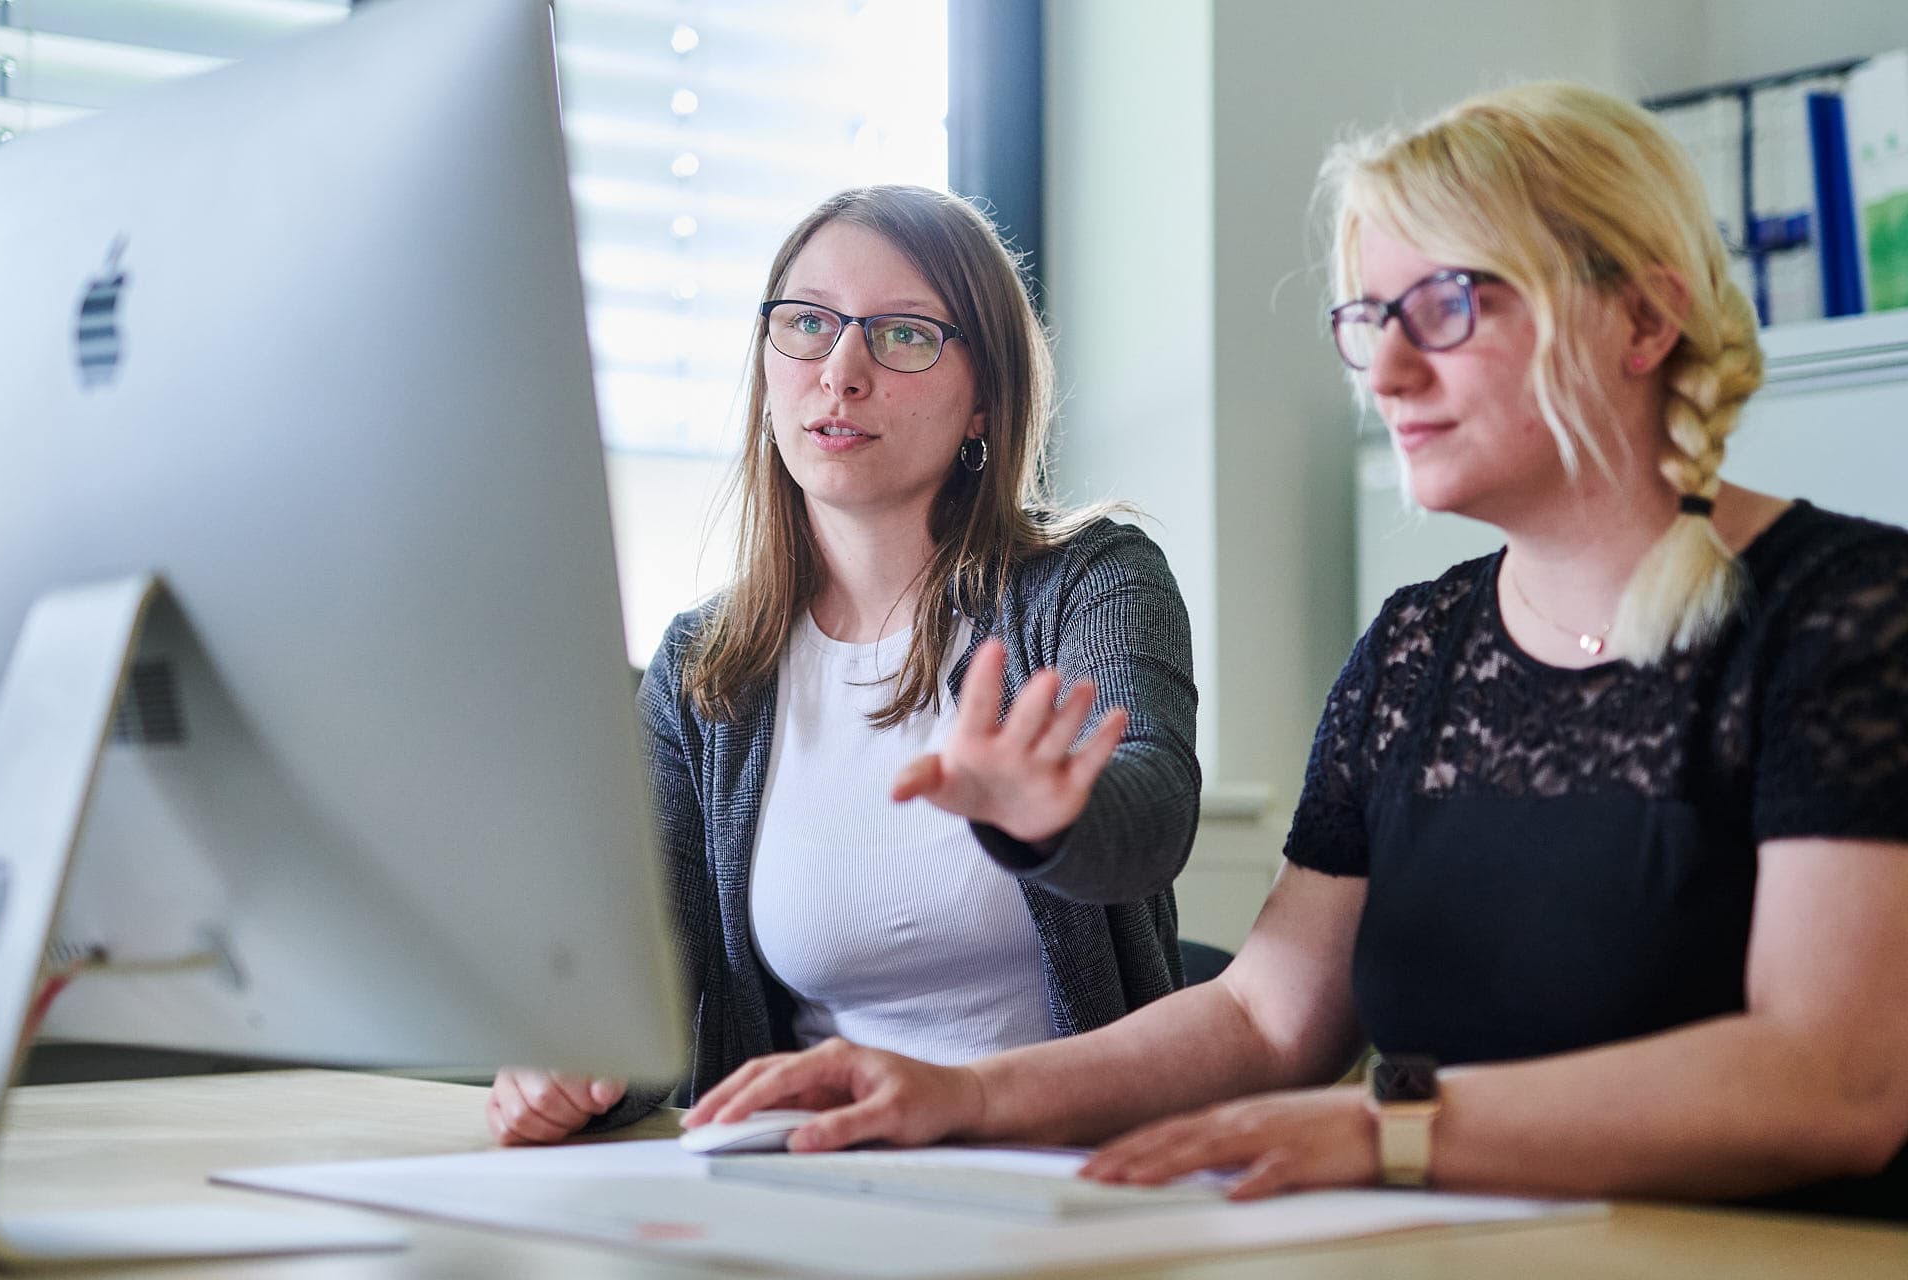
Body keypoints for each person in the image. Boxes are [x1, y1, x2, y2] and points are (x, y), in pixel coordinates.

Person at [681, 84, 1908, 1221]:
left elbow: (1833, 1079)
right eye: (1370, 317)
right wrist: (964, 1096)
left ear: (1643, 319)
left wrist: (1393, 1131)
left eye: (1449, 305)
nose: (1386, 367)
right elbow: (1269, 1018)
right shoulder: (1419, 646)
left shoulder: (1849, 612)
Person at [485, 185, 1200, 1144]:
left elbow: (1152, 813)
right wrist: (585, 1063)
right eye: (809, 324)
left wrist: (1054, 812)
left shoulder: (1090, 582)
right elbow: (663, 991)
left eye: (904, 335)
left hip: (1067, 1176)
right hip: (818, 1179)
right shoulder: (705, 671)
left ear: (985, 396)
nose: (841, 371)